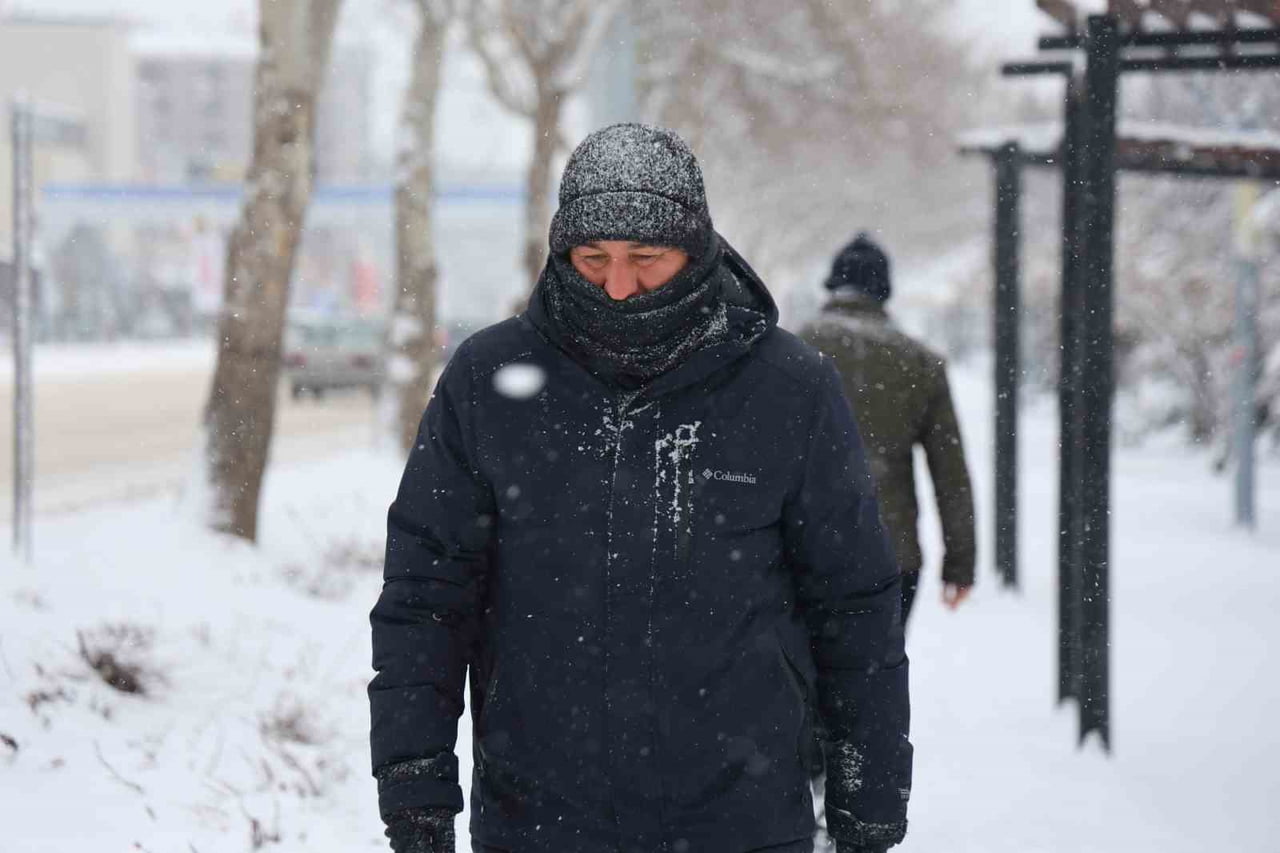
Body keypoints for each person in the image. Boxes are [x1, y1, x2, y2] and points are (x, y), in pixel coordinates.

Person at [368, 124, 912, 853]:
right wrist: (415, 789)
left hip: (742, 823)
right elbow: (424, 601)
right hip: (539, 823)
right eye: (593, 260)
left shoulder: (789, 389)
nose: (618, 287)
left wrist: (868, 794)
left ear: (695, 249)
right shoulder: (487, 380)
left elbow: (853, 607)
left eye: (645, 260)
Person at [800, 234, 976, 626]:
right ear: (884, 292)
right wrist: (960, 563)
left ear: (832, 284)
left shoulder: (793, 351)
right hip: (891, 554)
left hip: (803, 550)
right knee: (876, 679)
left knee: (800, 679)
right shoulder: (920, 363)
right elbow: (951, 475)